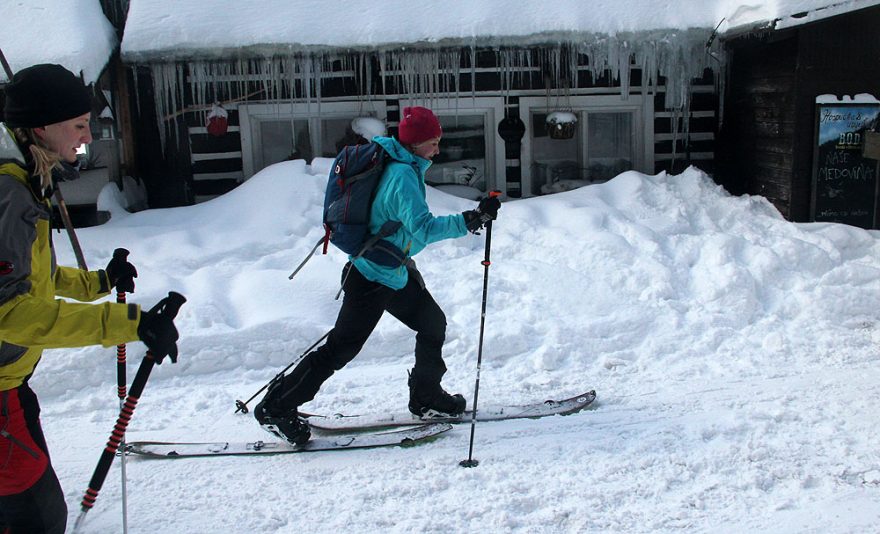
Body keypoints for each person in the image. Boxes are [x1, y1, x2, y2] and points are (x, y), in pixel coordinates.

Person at [0, 64, 181, 534]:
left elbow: (32, 279)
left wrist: (100, 282)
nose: (87, 136)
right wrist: (129, 323)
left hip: (12, 383)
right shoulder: (9, 193)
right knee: (37, 520)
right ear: (42, 126)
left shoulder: (21, 180)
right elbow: (8, 312)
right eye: (78, 124)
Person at [254, 106, 500, 444]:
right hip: (372, 277)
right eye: (433, 142)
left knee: (432, 324)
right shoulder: (401, 176)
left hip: (392, 271)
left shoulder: (403, 165)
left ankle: (426, 398)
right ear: (416, 144)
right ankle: (276, 408)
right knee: (340, 349)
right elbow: (423, 229)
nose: (437, 150)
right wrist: (470, 220)